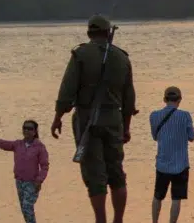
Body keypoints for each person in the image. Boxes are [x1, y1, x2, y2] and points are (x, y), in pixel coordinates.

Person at [50, 14, 137, 223]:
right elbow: (129, 99)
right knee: (117, 173)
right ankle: (119, 220)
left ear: (89, 33)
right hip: (114, 119)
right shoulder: (122, 58)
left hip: (87, 118)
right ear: (108, 33)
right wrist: (126, 127)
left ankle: (101, 220)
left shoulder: (81, 54)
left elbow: (67, 90)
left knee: (94, 175)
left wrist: (58, 117)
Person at [0, 120, 49, 223]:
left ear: (35, 131)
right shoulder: (18, 144)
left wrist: (39, 180)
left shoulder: (40, 147)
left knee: (27, 206)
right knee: (24, 208)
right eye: (24, 128)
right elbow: (1, 143)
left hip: (32, 183)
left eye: (30, 128)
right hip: (19, 182)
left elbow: (44, 166)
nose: (26, 130)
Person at [150, 86, 194, 223]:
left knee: (158, 196)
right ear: (180, 99)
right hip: (181, 164)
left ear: (164, 99)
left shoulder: (154, 115)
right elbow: (191, 137)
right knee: (176, 198)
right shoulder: (185, 115)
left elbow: (155, 137)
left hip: (162, 163)